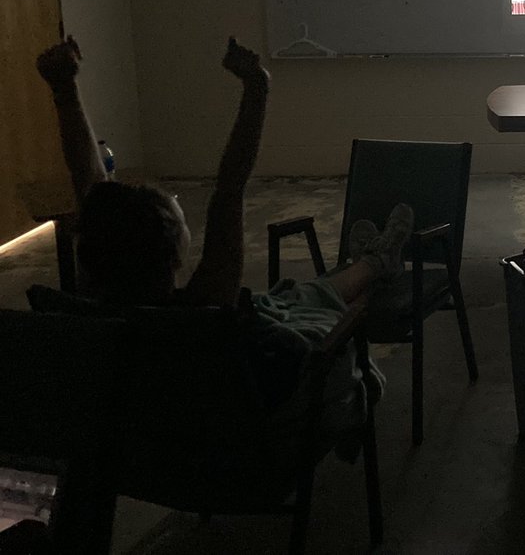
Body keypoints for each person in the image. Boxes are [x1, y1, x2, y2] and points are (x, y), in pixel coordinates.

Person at [35, 35, 408, 412]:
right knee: (309, 302)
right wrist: (257, 88)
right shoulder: (205, 310)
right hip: (264, 438)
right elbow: (230, 188)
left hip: (141, 444)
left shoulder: (84, 322)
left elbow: (92, 189)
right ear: (174, 256)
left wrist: (64, 88)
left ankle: (376, 260)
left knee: (300, 295)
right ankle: (376, 261)